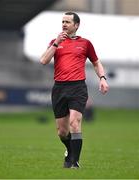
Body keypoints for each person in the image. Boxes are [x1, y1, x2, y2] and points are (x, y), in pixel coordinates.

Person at [40, 12, 109, 168]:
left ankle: (74, 162)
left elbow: (97, 63)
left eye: (68, 22)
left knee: (75, 123)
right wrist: (56, 43)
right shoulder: (54, 42)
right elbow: (43, 60)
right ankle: (70, 152)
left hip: (77, 87)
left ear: (76, 25)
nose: (64, 24)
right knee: (62, 132)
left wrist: (103, 78)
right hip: (59, 88)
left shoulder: (85, 43)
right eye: (63, 21)